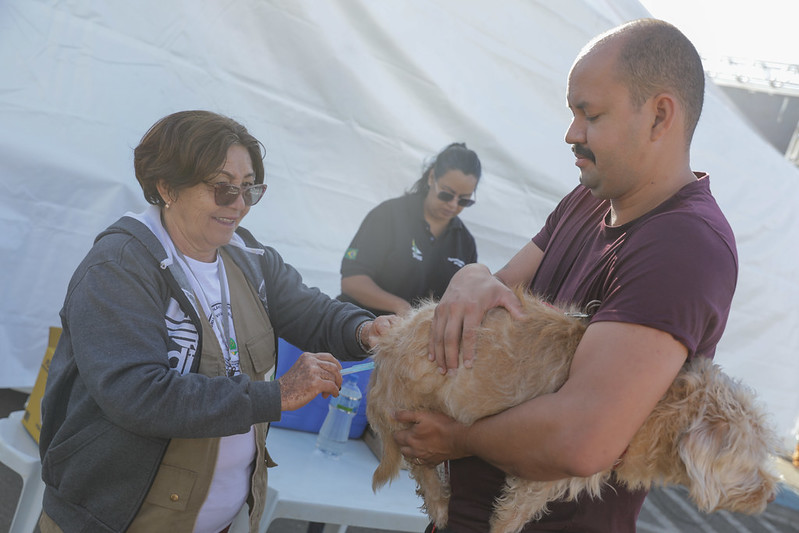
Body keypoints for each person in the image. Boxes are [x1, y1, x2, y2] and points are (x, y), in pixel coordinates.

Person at [393, 19, 738, 533]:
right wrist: (472, 274)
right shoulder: (587, 199)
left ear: (660, 115)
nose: (571, 133)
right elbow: (501, 298)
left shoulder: (684, 245)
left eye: (589, 114)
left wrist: (457, 439)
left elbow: (581, 440)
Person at [38, 110, 389, 533]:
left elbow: (310, 310)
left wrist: (365, 329)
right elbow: (136, 395)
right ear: (167, 186)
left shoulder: (249, 257)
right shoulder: (117, 268)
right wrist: (275, 395)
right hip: (111, 520)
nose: (239, 205)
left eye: (249, 190)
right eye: (223, 188)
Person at [338, 143, 481, 316]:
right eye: (447, 194)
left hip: (414, 339)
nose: (453, 204)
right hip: (360, 326)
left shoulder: (465, 243)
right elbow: (352, 281)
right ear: (431, 178)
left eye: (464, 200)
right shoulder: (389, 215)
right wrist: (401, 307)